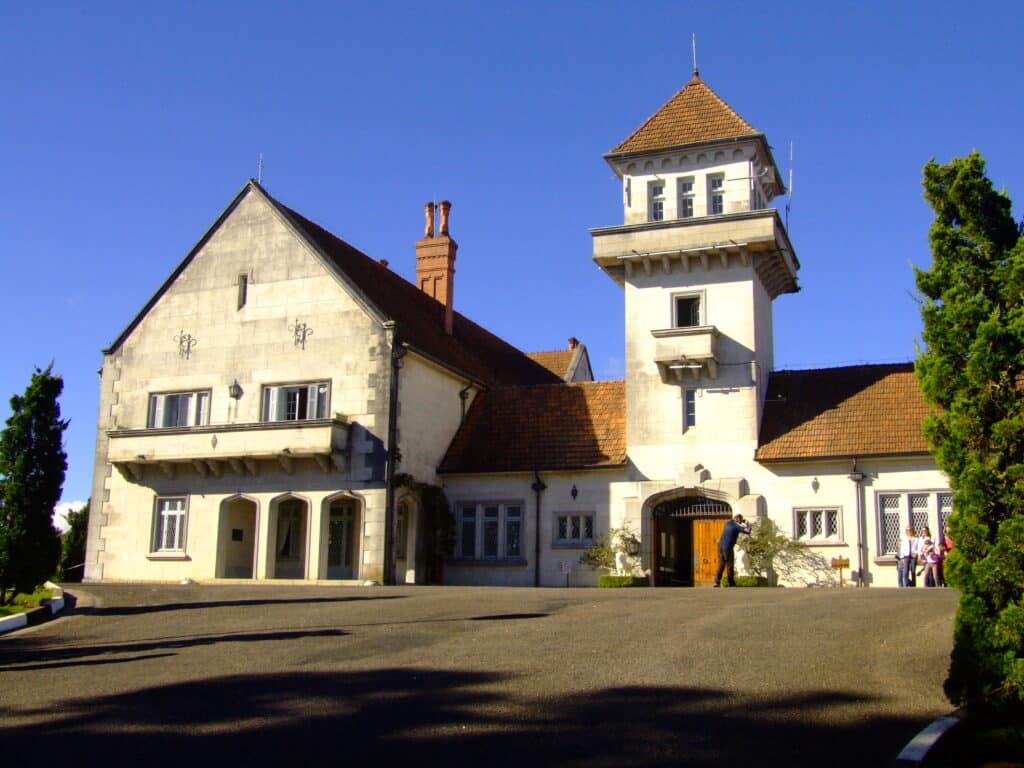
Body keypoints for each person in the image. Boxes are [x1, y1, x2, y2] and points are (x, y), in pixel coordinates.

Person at [713, 513, 752, 587]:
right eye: (740, 520)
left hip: (720, 546)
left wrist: (740, 521)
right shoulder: (736, 526)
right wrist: (747, 523)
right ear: (738, 519)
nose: (741, 522)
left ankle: (717, 581)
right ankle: (731, 583)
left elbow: (734, 520)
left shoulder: (728, 523)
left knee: (722, 564)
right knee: (730, 564)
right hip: (728, 547)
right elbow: (748, 531)